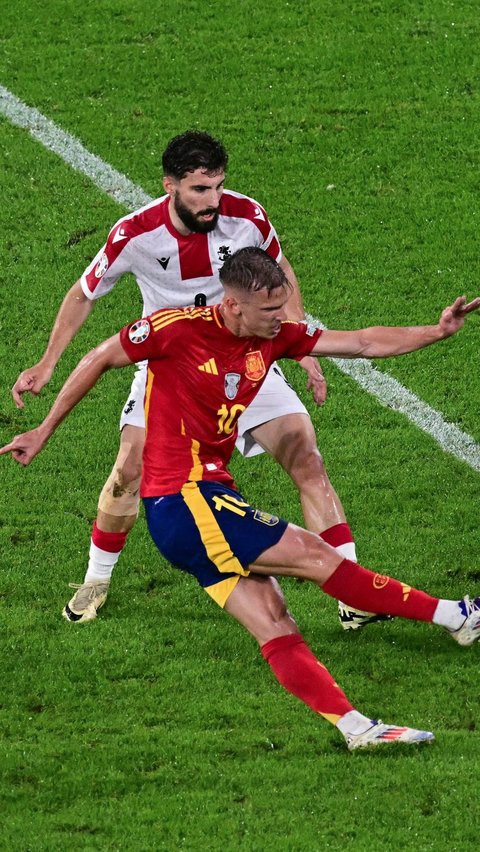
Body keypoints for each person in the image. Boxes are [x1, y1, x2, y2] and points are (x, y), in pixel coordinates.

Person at [2, 247, 479, 751]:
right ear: (233, 305)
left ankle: (356, 728)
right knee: (319, 559)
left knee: (274, 619)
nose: (282, 318)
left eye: (283, 308)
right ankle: (458, 616)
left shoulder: (273, 338)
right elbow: (100, 357)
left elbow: (360, 342)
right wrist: (44, 429)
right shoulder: (175, 330)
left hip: (197, 508)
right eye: (270, 311)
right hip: (187, 501)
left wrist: (437, 331)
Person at [10, 131, 373, 630]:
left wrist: (300, 341)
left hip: (246, 357)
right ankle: (96, 578)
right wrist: (48, 362)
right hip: (173, 370)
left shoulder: (247, 216)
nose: (213, 201)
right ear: (170, 185)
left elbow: (279, 269)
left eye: (218, 187)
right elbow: (84, 293)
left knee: (306, 456)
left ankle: (353, 590)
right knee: (129, 471)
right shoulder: (134, 234)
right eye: (200, 190)